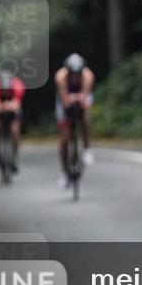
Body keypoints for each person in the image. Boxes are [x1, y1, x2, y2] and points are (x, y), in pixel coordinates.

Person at [55, 53, 95, 188]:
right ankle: (64, 172)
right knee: (65, 138)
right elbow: (65, 101)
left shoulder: (88, 76)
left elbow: (84, 100)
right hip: (64, 100)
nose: (75, 76)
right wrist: (72, 99)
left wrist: (77, 99)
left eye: (78, 73)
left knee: (84, 117)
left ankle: (87, 148)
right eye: (72, 73)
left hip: (81, 97)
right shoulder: (60, 77)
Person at [0, 70, 25, 171]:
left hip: (13, 112)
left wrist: (9, 106)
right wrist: (5, 106)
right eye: (3, 90)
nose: (5, 91)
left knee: (15, 132)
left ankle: (13, 157)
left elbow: (16, 105)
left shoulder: (18, 86)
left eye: (7, 89)